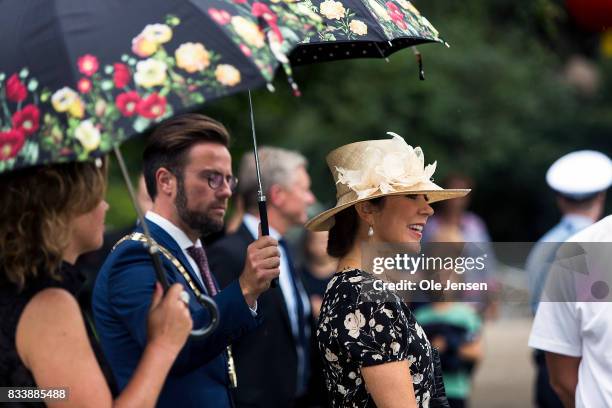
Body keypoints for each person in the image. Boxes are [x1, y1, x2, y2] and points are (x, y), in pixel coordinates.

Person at [93, 114, 281, 408]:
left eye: (228, 178)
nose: (227, 191)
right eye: (211, 178)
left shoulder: (190, 251)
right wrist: (245, 289)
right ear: (166, 181)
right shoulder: (135, 257)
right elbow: (177, 347)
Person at [0, 159, 192, 407]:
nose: (106, 206)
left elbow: (17, 392)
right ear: (64, 206)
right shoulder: (48, 305)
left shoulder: (16, 282)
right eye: (96, 197)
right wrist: (163, 345)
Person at [306, 133, 470, 407]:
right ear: (367, 209)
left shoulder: (353, 289)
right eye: (411, 196)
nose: (428, 209)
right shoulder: (365, 299)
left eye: (425, 197)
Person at [208, 146, 321, 407]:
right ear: (278, 195)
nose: (310, 198)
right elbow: (220, 336)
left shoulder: (287, 250)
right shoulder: (228, 254)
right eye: (303, 189)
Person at [526, 150, 610, 408]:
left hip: (552, 359)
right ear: (601, 195)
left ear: (559, 198)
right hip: (585, 364)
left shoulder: (543, 245)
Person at [415, 226, 483, 408]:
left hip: (455, 390)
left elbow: (475, 353)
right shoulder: (420, 314)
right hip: (427, 391)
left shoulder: (466, 314)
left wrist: (449, 346)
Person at [299, 229, 338, 320]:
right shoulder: (298, 276)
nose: (321, 246)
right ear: (307, 243)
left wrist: (324, 311)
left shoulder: (347, 274)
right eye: (316, 240)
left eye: (326, 240)